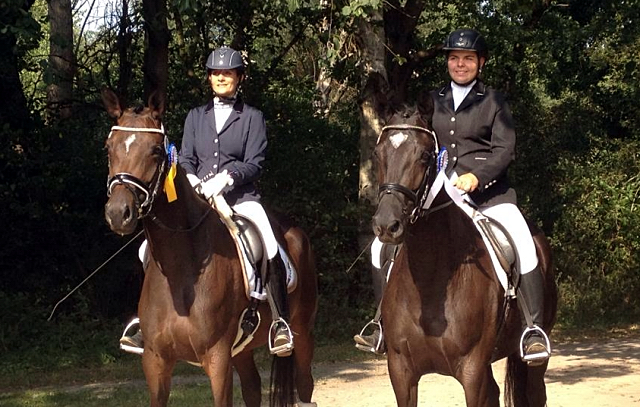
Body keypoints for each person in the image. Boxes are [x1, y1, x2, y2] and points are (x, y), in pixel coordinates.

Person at [354, 28, 550, 365]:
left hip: (490, 196)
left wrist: (478, 177)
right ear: (448, 62)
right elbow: (421, 146)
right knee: (379, 248)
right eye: (455, 58)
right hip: (440, 193)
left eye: (468, 59)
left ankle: (533, 328)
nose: (460, 64)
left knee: (522, 239)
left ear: (480, 63)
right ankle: (381, 324)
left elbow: (505, 151)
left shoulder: (494, 102)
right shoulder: (433, 102)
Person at [120, 46, 293, 356]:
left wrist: (228, 178)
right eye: (215, 73)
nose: (221, 78)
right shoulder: (195, 116)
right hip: (199, 198)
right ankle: (144, 323)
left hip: (240, 198)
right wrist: (193, 180)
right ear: (209, 78)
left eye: (227, 73)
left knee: (267, 242)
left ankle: (280, 322)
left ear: (239, 77)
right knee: (147, 247)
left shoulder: (252, 117)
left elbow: (255, 161)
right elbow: (184, 157)